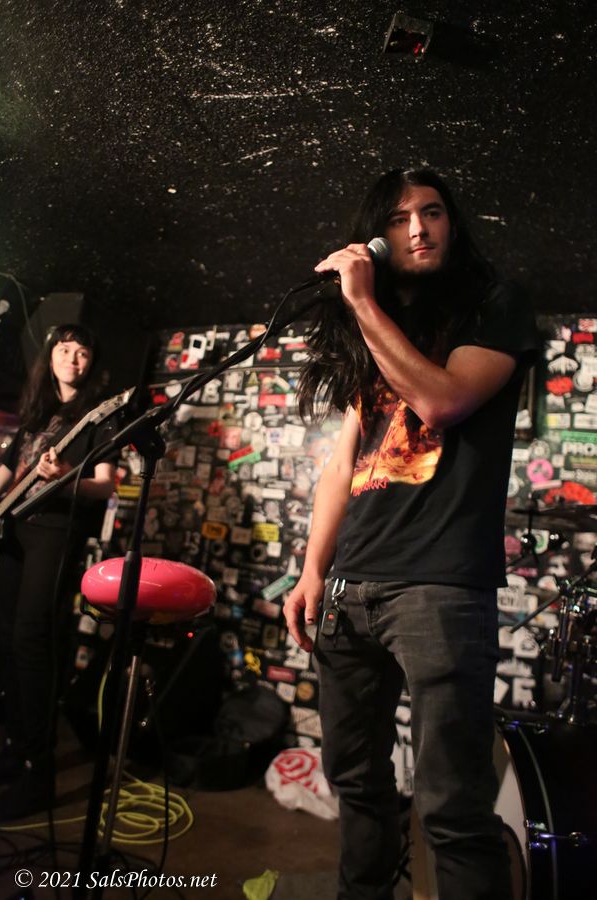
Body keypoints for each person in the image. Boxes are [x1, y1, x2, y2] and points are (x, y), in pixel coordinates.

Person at [283, 168, 539, 900]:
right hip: (349, 588)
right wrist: (312, 570)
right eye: (398, 219)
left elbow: (442, 401)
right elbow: (343, 464)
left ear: (453, 224)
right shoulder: (375, 332)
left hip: (437, 588)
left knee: (452, 806)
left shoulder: (495, 305)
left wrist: (362, 301)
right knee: (355, 784)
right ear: (377, 236)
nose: (418, 229)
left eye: (432, 213)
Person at [0, 324, 117, 821]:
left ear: (91, 363)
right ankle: (16, 746)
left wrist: (66, 479)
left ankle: (39, 770)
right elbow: (7, 471)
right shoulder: (37, 413)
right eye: (64, 350)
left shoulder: (99, 416)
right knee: (5, 639)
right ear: (50, 357)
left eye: (82, 352)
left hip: (55, 531)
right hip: (13, 529)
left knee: (32, 640)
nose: (72, 358)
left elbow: (105, 485)